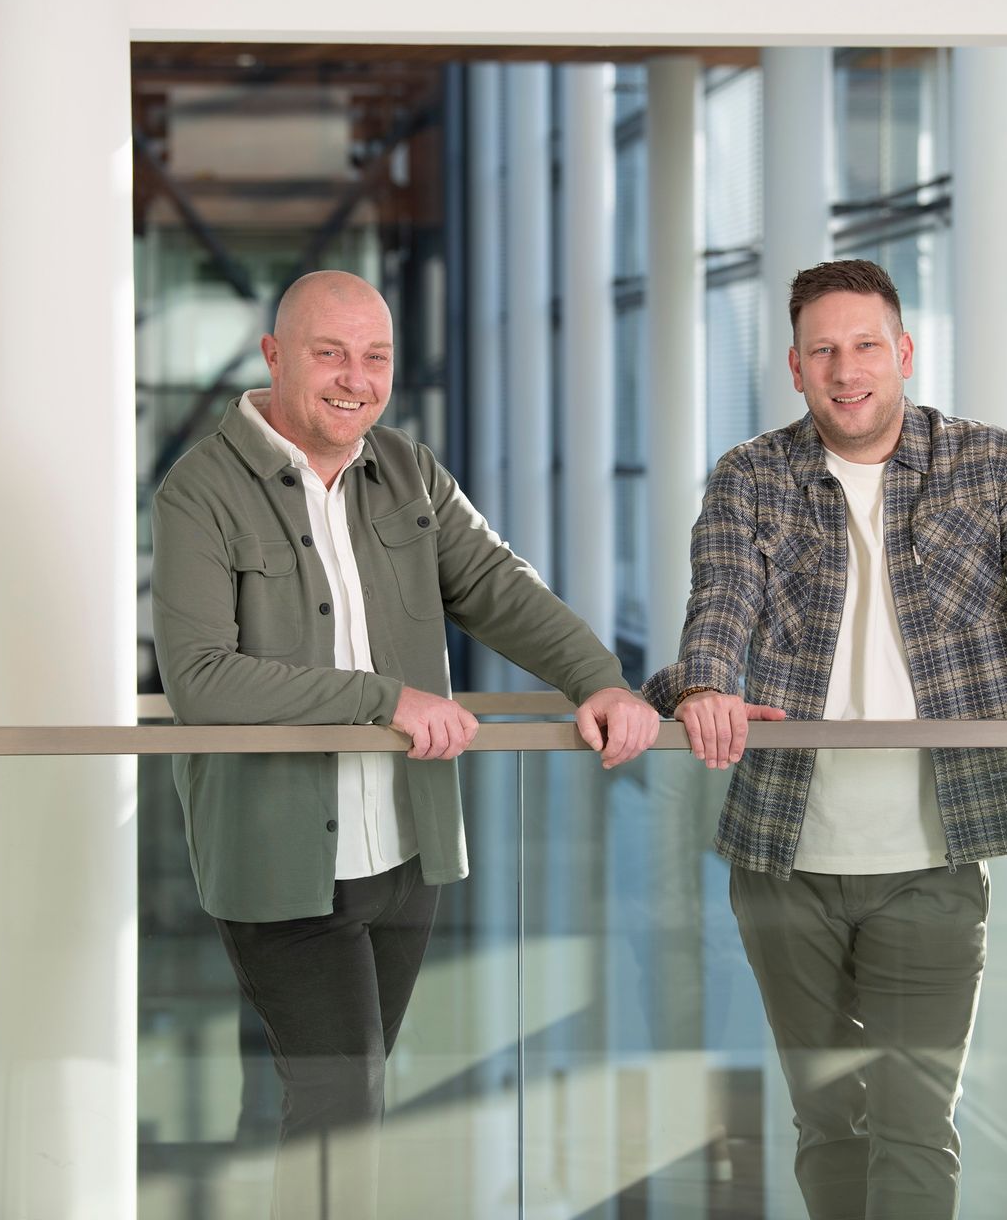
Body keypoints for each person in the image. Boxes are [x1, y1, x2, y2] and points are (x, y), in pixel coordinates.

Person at [642, 259, 1007, 1219]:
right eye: (824, 350)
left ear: (902, 352)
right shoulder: (749, 477)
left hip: (936, 858)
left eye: (865, 346)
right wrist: (704, 685)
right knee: (827, 1122)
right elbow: (720, 602)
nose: (846, 369)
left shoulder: (985, 464)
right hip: (784, 858)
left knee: (915, 1125)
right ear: (796, 365)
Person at [150, 270, 659, 1218]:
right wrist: (386, 698)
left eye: (375, 356)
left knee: (300, 1092)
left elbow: (502, 588)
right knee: (345, 1104)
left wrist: (599, 678)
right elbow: (200, 679)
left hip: (404, 856)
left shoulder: (411, 473)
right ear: (274, 357)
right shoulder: (200, 490)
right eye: (329, 353)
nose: (355, 378)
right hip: (278, 862)